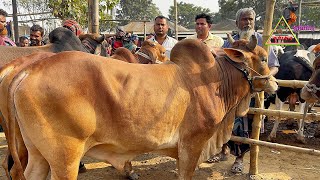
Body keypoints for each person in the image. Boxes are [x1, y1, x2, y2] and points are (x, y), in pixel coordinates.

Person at [207, 8, 279, 174]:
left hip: (252, 91)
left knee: (245, 126)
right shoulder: (231, 42)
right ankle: (223, 150)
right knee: (224, 122)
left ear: (254, 22)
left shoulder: (262, 40)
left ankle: (239, 159)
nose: (247, 22)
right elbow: (221, 60)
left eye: (250, 19)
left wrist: (263, 77)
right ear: (238, 22)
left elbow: (274, 66)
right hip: (230, 93)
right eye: (244, 19)